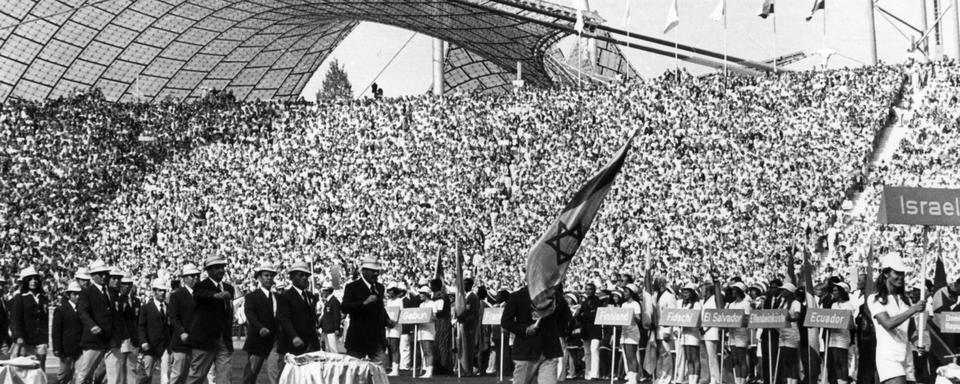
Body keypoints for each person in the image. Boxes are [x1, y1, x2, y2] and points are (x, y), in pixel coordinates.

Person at [868, 254, 925, 384]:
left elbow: (911, 330)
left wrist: (917, 343)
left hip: (907, 356)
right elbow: (888, 324)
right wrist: (912, 310)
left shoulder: (906, 300)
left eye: (902, 273)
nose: (901, 276)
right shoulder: (875, 299)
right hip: (888, 357)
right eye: (897, 273)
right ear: (886, 273)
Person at [501, 285, 572, 384]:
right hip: (526, 350)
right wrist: (525, 330)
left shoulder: (555, 296)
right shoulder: (517, 296)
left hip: (549, 350)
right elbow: (506, 322)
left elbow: (567, 317)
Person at [186, 256, 235, 384]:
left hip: (223, 338)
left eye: (222, 267)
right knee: (197, 376)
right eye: (217, 268)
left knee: (225, 377)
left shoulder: (229, 288)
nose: (221, 270)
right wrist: (216, 295)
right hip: (205, 339)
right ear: (208, 271)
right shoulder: (200, 286)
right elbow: (199, 295)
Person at [75, 260, 120, 384]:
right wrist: (92, 325)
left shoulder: (111, 292)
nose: (104, 277)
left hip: (111, 339)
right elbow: (82, 312)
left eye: (105, 274)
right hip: (94, 339)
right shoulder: (87, 293)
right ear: (93, 276)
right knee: (85, 373)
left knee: (112, 373)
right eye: (101, 274)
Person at [342, 256, 393, 362]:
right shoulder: (352, 287)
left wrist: (387, 320)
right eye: (372, 271)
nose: (375, 274)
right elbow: (345, 307)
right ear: (364, 271)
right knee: (354, 370)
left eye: (377, 271)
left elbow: (380, 308)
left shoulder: (380, 287)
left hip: (376, 337)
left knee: (380, 370)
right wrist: (364, 303)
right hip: (358, 337)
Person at [276, 261, 320, 375]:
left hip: (310, 344)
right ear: (292, 277)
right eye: (300, 275)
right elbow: (283, 318)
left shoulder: (310, 296)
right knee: (288, 377)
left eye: (306, 275)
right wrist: (294, 336)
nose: (305, 278)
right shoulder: (285, 296)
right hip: (292, 344)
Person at [242, 262, 279, 384]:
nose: (269, 278)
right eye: (266, 275)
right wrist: (260, 328)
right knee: (251, 374)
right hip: (258, 340)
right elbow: (250, 314)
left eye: (271, 276)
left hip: (274, 340)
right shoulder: (252, 296)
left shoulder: (277, 297)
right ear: (259, 277)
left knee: (276, 373)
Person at [10, 266, 49, 370]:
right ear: (25, 281)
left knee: (40, 368)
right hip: (25, 339)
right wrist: (18, 336)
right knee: (25, 369)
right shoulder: (20, 297)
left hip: (40, 339)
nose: (33, 281)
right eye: (30, 279)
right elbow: (15, 318)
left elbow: (45, 320)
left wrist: (45, 340)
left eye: (35, 279)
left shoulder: (43, 297)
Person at [169, 263, 200, 384]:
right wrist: (181, 332)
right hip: (181, 342)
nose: (196, 278)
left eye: (197, 276)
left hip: (197, 342)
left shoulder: (200, 295)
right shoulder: (177, 295)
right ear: (185, 278)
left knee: (193, 376)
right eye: (192, 276)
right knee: (178, 375)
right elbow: (173, 317)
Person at [138, 279, 171, 384]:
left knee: (166, 376)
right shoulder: (146, 308)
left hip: (166, 345)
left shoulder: (169, 308)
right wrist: (143, 341)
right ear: (154, 291)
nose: (163, 293)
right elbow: (141, 326)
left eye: (164, 291)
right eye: (160, 290)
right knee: (147, 375)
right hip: (150, 345)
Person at [53, 281, 84, 384]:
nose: (77, 297)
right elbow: (56, 330)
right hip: (66, 348)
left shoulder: (82, 309)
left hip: (80, 347)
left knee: (80, 374)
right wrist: (57, 348)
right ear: (68, 295)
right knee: (64, 374)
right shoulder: (61, 310)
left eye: (79, 294)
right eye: (74, 294)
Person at [826, 282, 856, 384]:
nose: (833, 293)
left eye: (835, 291)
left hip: (843, 336)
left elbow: (851, 325)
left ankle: (844, 381)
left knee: (842, 361)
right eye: (833, 291)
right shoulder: (833, 305)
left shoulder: (848, 305)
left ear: (841, 292)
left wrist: (844, 322)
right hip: (833, 336)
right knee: (835, 361)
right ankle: (839, 381)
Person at [726, 282, 752, 384]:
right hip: (732, 333)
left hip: (741, 333)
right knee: (735, 358)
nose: (733, 292)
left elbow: (747, 319)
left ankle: (743, 381)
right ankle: (738, 380)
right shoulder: (731, 304)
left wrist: (737, 320)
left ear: (740, 291)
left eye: (735, 290)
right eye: (732, 290)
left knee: (742, 358)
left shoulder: (746, 304)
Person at [777, 282, 803, 384]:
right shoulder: (782, 303)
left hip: (792, 333)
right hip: (782, 333)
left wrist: (789, 318)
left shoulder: (796, 303)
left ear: (789, 292)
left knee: (792, 360)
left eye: (784, 290)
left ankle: (794, 381)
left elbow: (797, 316)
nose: (782, 292)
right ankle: (789, 381)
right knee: (786, 361)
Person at [118, 272, 141, 384]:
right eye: (124, 284)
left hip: (133, 338)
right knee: (119, 369)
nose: (127, 286)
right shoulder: (117, 300)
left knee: (132, 368)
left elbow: (138, 320)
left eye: (129, 284)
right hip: (121, 338)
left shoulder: (136, 301)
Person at [457, 277, 483, 376]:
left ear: (470, 285)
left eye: (466, 284)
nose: (464, 286)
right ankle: (464, 369)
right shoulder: (462, 297)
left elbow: (475, 314)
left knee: (469, 349)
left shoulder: (473, 297)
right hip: (462, 326)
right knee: (463, 349)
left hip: (470, 327)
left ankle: (470, 370)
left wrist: (465, 321)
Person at [678, 282, 702, 384]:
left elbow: (696, 319)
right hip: (685, 333)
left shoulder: (697, 305)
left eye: (686, 292)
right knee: (688, 358)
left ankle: (695, 379)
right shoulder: (683, 305)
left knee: (694, 357)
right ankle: (690, 378)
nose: (684, 294)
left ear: (691, 293)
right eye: (683, 292)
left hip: (693, 334)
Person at [417, 285, 442, 378]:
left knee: (428, 351)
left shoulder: (432, 303)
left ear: (426, 294)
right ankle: (427, 370)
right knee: (424, 351)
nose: (420, 295)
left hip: (429, 330)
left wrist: (427, 318)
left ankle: (429, 371)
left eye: (422, 293)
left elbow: (435, 317)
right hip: (421, 329)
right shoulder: (421, 305)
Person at [620, 284, 643, 384]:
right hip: (624, 331)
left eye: (626, 291)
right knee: (627, 355)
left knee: (632, 354)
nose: (624, 293)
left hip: (633, 331)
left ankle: (634, 378)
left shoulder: (636, 304)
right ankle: (630, 375)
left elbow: (638, 319)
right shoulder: (623, 305)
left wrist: (631, 314)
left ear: (631, 293)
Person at [578, 283, 601, 380]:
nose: (588, 291)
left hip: (595, 329)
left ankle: (595, 373)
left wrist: (584, 315)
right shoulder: (584, 302)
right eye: (587, 289)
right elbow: (578, 316)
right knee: (587, 352)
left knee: (594, 350)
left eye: (591, 289)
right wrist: (584, 315)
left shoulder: (598, 301)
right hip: (586, 330)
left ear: (594, 290)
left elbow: (596, 315)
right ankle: (588, 372)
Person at [385, 283, 404, 376]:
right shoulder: (389, 301)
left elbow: (399, 313)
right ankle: (392, 367)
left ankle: (396, 369)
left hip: (396, 326)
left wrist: (393, 323)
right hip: (388, 326)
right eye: (388, 291)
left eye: (391, 290)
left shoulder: (399, 301)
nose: (389, 292)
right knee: (390, 347)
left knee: (394, 347)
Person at [319, 282, 342, 354]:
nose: (323, 293)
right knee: (328, 350)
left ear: (328, 291)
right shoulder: (328, 301)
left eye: (324, 291)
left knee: (333, 350)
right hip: (326, 329)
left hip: (332, 330)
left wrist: (336, 328)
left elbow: (337, 315)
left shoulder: (334, 301)